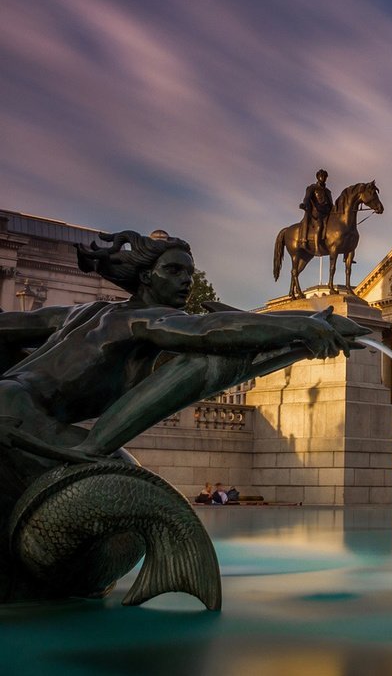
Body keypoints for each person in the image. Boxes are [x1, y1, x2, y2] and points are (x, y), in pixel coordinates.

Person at [0, 229, 369, 500]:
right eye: (174, 271)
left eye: (189, 274)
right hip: (18, 416)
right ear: (146, 277)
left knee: (129, 481)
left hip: (12, 401)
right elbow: (209, 331)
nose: (187, 282)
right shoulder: (142, 320)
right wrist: (304, 324)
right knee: (135, 490)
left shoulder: (85, 312)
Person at [298, 169, 334, 253]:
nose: (323, 178)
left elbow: (331, 204)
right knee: (319, 225)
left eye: (325, 176)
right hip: (316, 213)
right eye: (322, 176)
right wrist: (305, 205)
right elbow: (307, 198)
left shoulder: (328, 191)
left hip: (327, 212)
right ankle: (317, 248)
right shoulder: (312, 188)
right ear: (318, 177)